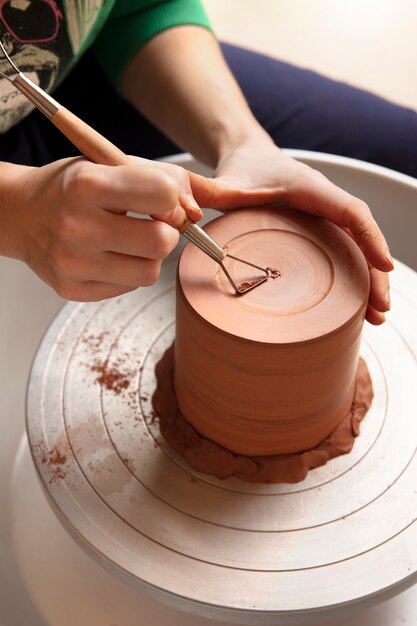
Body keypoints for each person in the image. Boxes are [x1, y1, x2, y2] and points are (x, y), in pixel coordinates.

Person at [1, 0, 410, 325]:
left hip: (77, 56)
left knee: (404, 148)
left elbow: (137, 7)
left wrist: (245, 144)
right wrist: (17, 212)